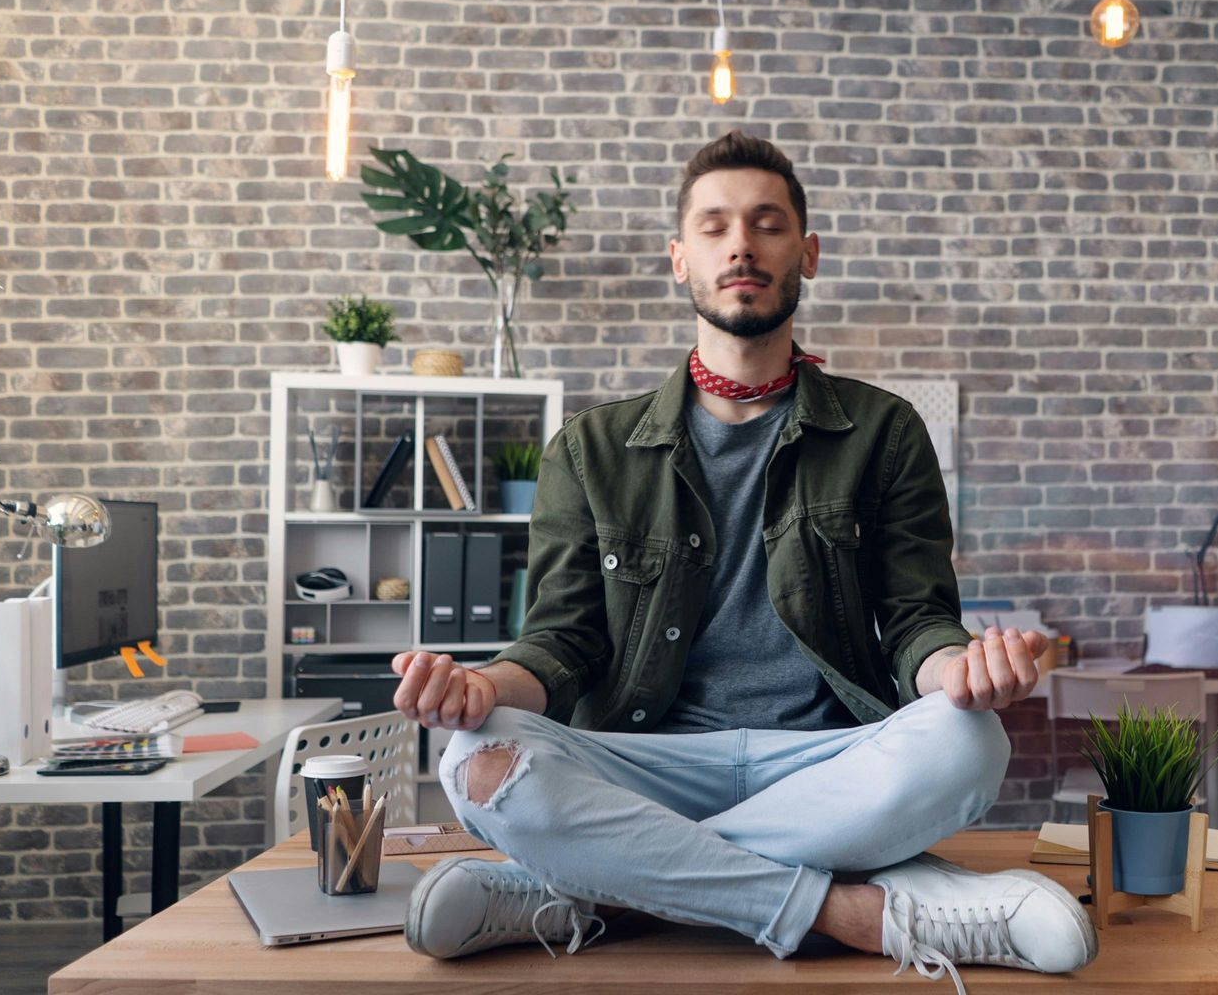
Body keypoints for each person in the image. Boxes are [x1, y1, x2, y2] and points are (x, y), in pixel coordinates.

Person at [390, 131, 1097, 991]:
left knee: (969, 740)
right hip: (647, 761)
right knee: (472, 755)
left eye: (767, 224)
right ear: (680, 260)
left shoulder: (884, 431)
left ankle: (606, 891)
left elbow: (916, 622)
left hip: (826, 762)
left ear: (807, 253)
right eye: (716, 226)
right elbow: (562, 644)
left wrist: (962, 670)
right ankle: (855, 912)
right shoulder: (591, 447)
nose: (742, 244)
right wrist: (481, 688)